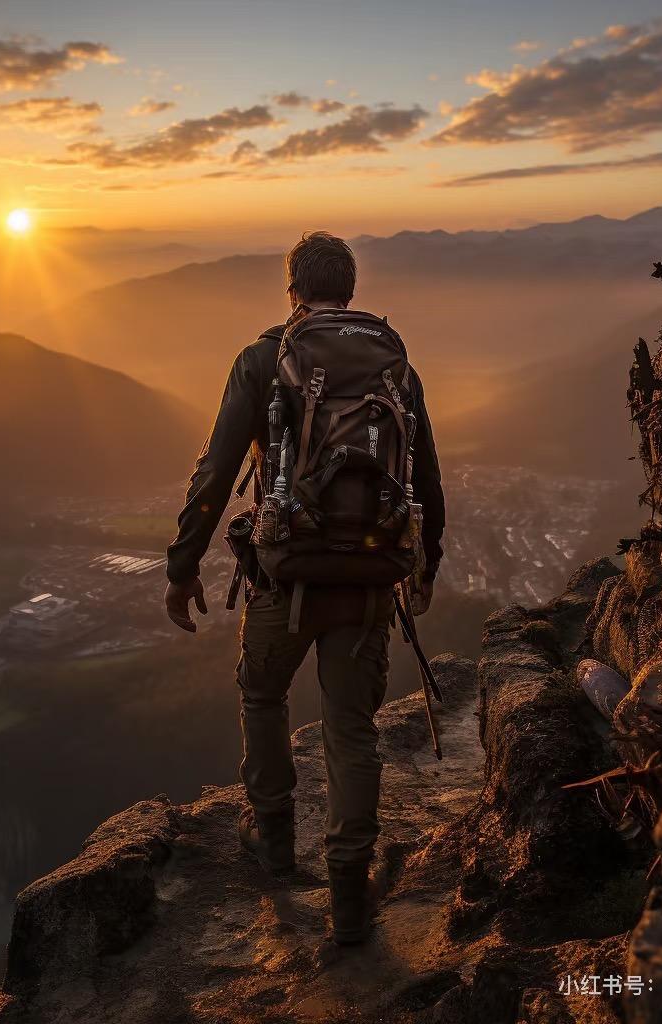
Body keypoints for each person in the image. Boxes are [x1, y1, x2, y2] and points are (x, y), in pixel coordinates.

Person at [164, 231, 444, 945]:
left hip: (283, 574)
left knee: (262, 694)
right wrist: (424, 566)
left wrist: (183, 563)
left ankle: (275, 840)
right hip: (369, 580)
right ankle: (350, 894)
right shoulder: (393, 365)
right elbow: (426, 478)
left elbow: (217, 470)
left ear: (291, 289)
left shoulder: (264, 360)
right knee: (353, 729)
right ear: (348, 288)